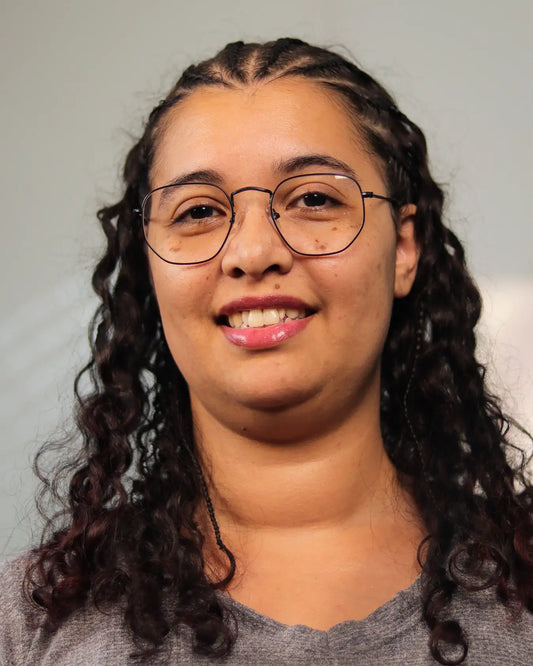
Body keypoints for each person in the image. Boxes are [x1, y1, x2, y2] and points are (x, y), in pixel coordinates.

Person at [1, 38, 532, 665]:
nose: (253, 253)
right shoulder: (32, 620)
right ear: (149, 264)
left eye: (314, 199)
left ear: (403, 248)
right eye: (198, 210)